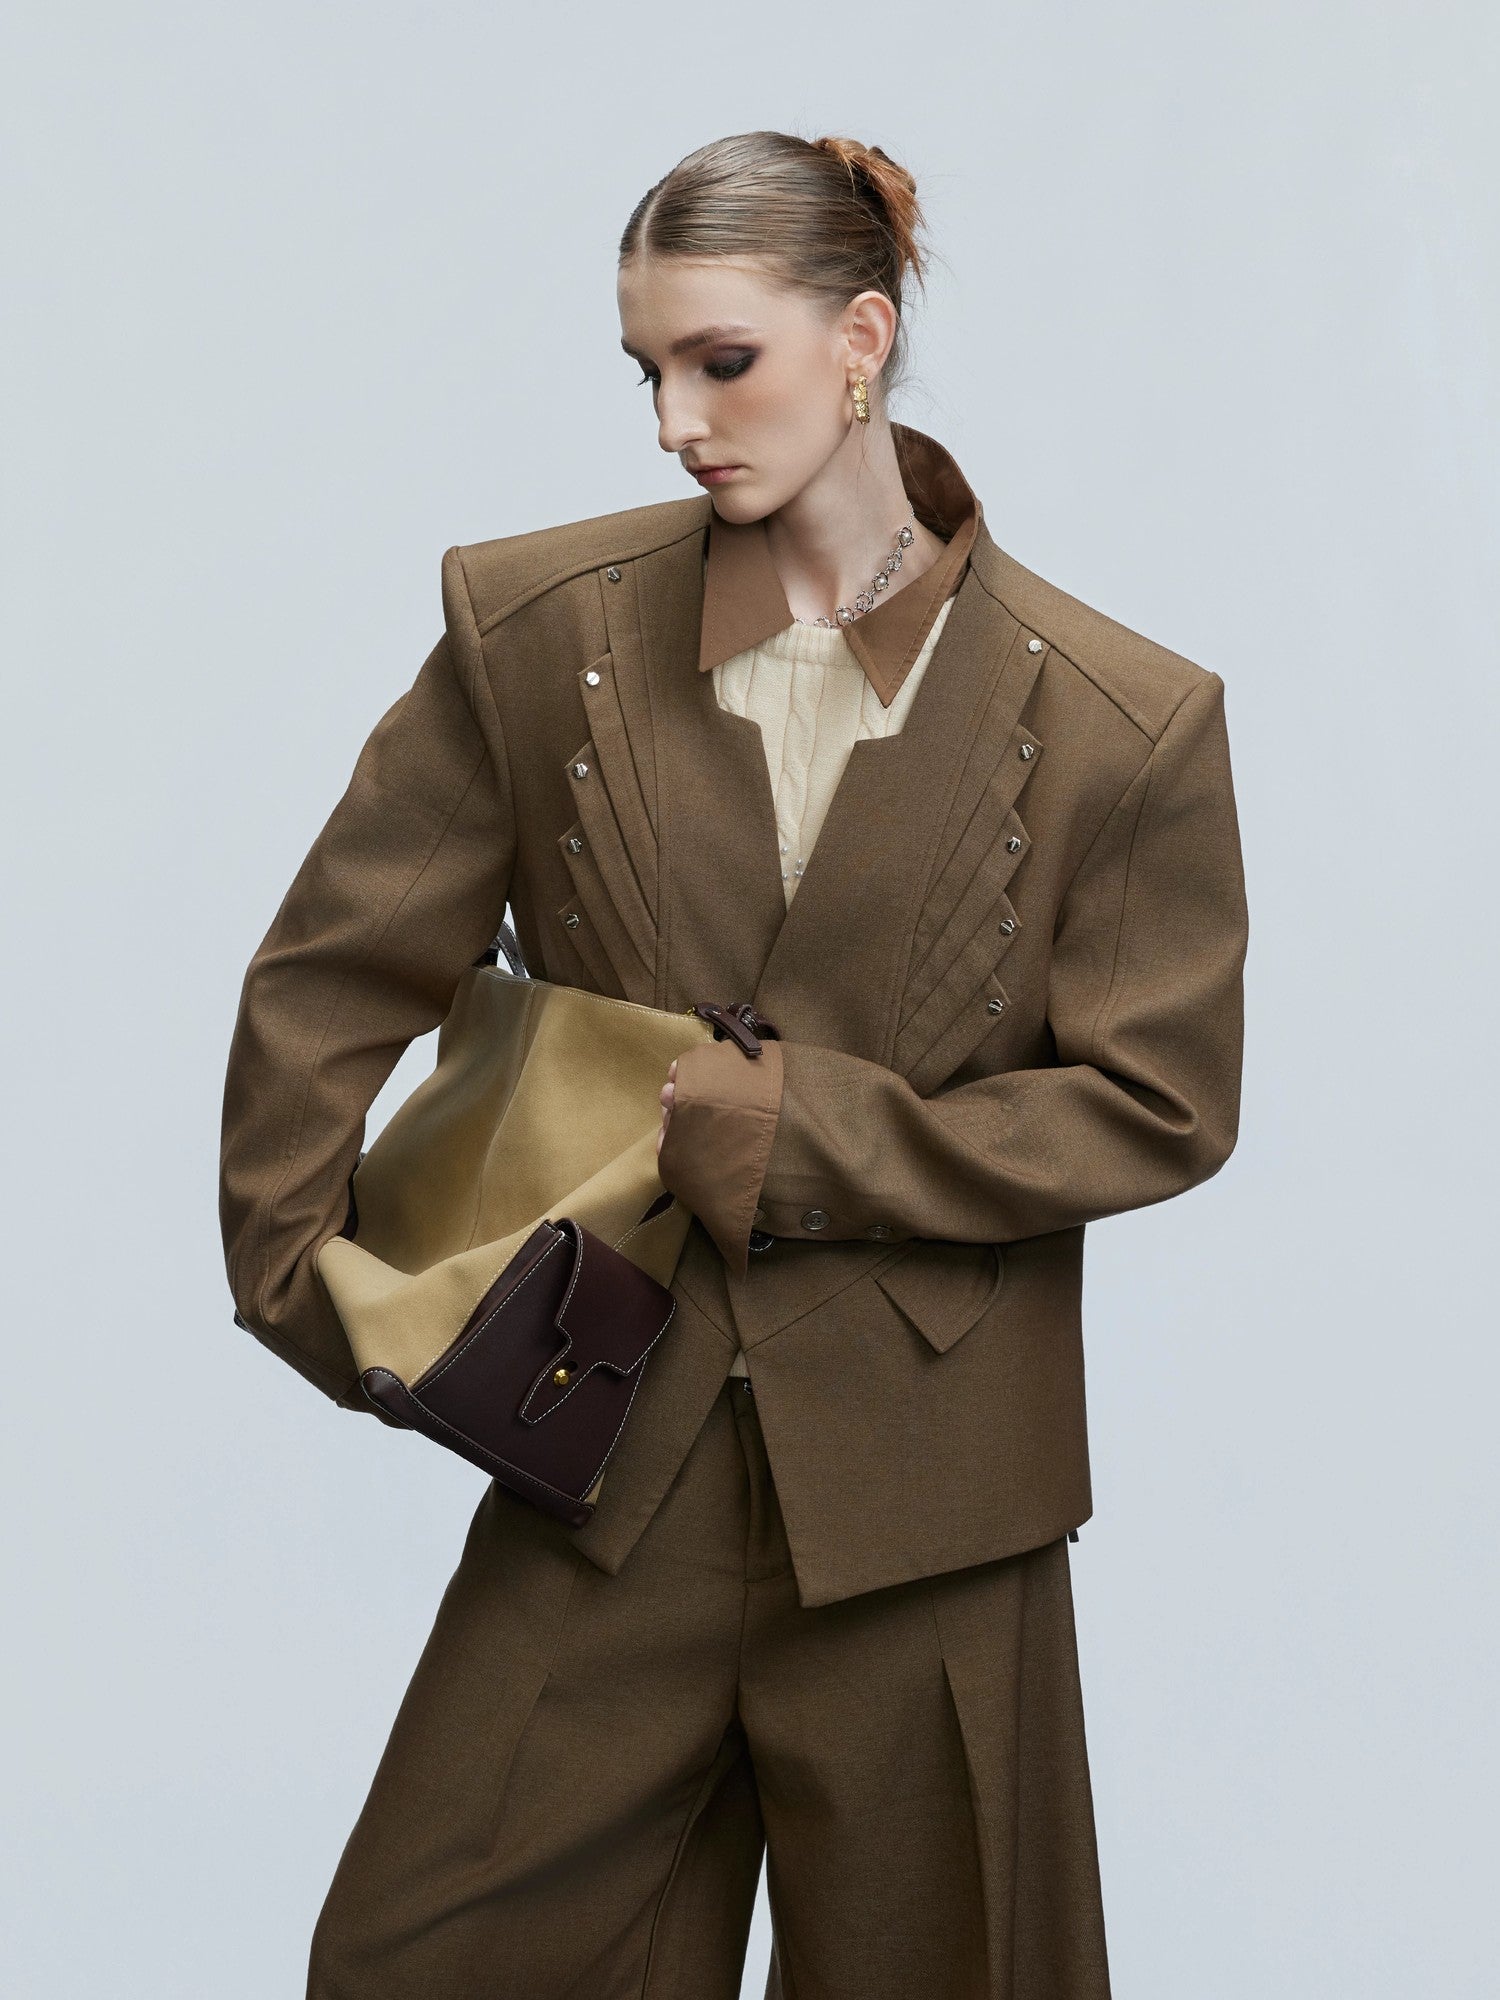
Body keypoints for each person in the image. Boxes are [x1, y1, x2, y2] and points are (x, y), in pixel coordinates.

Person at [218, 128, 1249, 1999]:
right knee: (421, 1958)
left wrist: (821, 1139)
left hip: (937, 1510)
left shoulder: (1122, 721)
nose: (677, 423)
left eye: (723, 361)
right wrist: (322, 1293)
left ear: (860, 342)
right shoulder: (537, 636)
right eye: (649, 371)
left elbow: (1162, 1101)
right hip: (603, 1452)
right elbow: (330, 975)